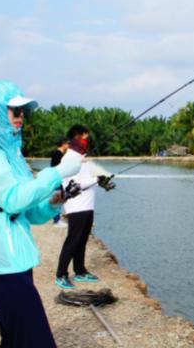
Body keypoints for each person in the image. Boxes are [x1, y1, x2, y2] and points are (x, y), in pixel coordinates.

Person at [0, 80, 81, 348]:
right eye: (15, 111)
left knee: (15, 341)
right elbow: (12, 199)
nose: (21, 119)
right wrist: (59, 171)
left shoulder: (11, 155)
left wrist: (53, 203)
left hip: (16, 265)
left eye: (24, 112)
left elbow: (30, 215)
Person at [55, 124, 115, 289]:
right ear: (76, 138)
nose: (87, 141)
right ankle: (60, 275)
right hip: (77, 206)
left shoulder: (82, 158)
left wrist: (102, 182)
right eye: (85, 138)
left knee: (82, 240)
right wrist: (96, 180)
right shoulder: (69, 159)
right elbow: (73, 183)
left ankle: (80, 271)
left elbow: (87, 178)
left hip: (88, 206)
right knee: (73, 241)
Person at [51, 137, 70, 227]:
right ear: (63, 144)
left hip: (58, 180)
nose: (69, 145)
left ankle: (58, 219)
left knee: (60, 198)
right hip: (56, 180)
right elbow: (57, 168)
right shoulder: (58, 154)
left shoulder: (60, 154)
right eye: (68, 143)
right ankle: (56, 221)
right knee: (58, 199)